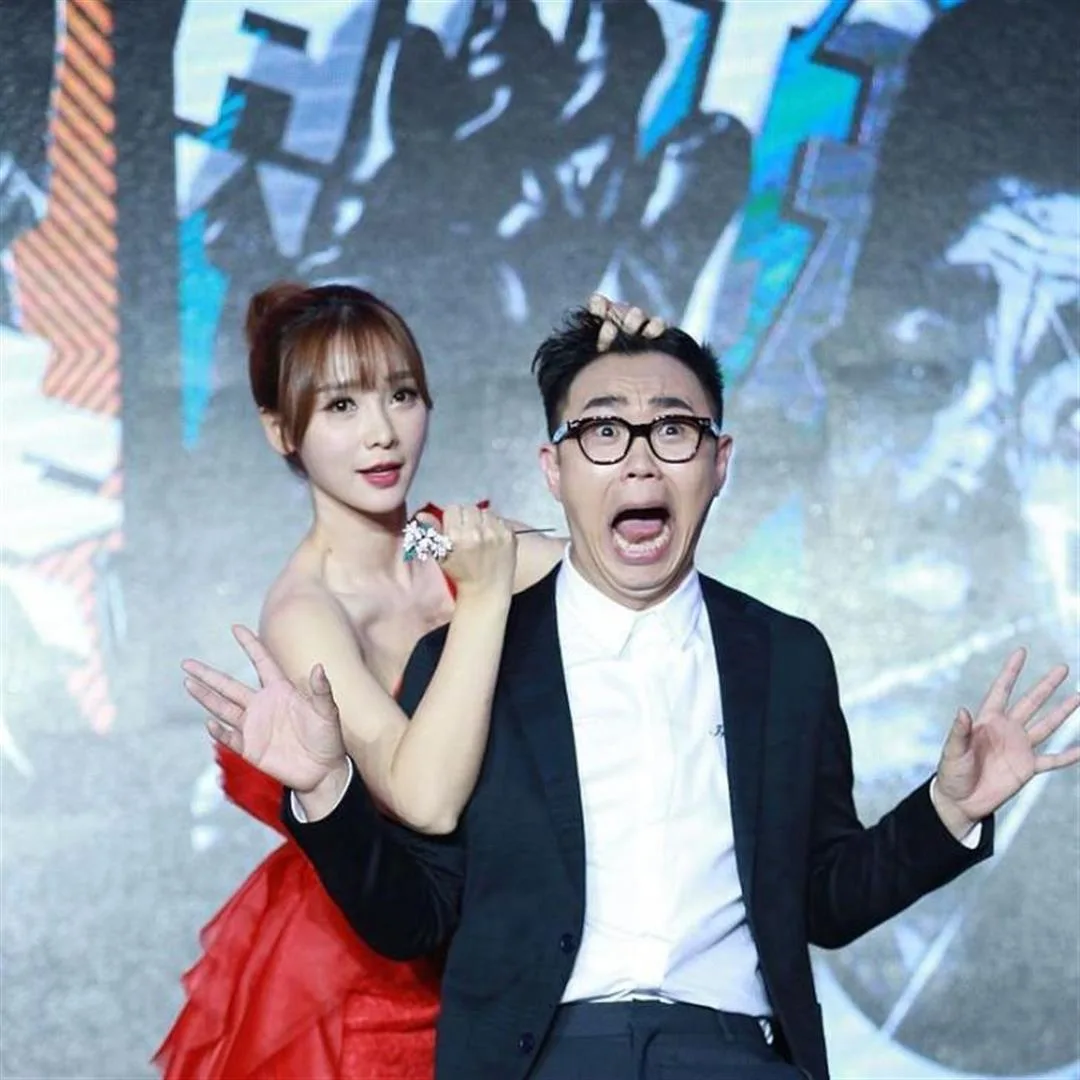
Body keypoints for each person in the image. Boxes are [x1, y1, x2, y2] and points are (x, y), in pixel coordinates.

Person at [188, 306, 1079, 1080]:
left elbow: (824, 900)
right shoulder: (465, 660)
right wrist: (326, 787)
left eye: (675, 434)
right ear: (553, 469)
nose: (642, 463)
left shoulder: (786, 658)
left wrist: (948, 811)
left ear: (720, 462)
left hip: (736, 1050)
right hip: (543, 1052)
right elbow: (417, 908)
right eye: (605, 435)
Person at [155, 284, 659, 1077]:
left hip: (507, 954)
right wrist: (487, 596)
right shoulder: (307, 613)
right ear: (281, 430)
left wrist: (620, 396)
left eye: (401, 394)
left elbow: (632, 578)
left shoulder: (449, 544)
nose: (382, 432)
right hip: (371, 988)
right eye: (341, 406)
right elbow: (425, 800)